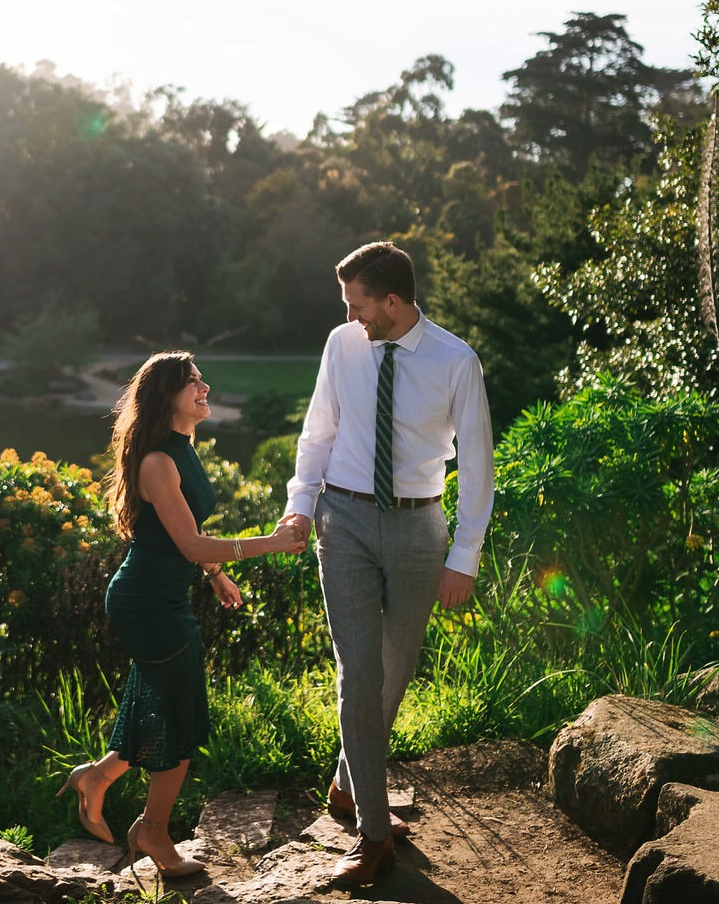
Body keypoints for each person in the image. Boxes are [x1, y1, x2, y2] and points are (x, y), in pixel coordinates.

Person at [278, 242, 494, 887]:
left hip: (418, 526)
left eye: (359, 303)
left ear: (393, 301)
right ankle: (374, 834)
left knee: (393, 670)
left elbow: (479, 464)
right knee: (358, 671)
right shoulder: (342, 345)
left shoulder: (457, 361)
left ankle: (349, 784)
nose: (351, 315)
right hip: (340, 520)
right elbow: (318, 432)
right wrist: (299, 505)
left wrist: (465, 555)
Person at [57, 350, 306, 878]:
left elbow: (181, 539)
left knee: (160, 699)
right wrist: (274, 542)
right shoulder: (157, 462)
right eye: (192, 382)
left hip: (162, 596)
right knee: (181, 718)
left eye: (201, 380)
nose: (205, 388)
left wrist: (217, 575)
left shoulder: (182, 447)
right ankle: (152, 830)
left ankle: (98, 779)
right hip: (145, 601)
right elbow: (190, 544)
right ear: (167, 396)